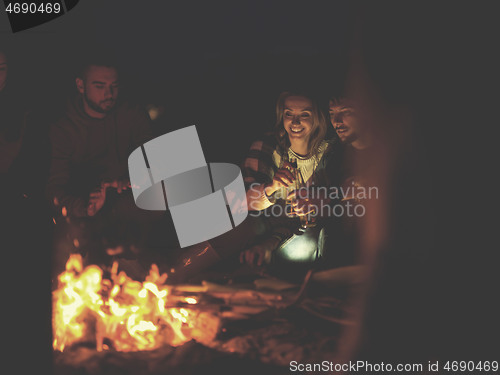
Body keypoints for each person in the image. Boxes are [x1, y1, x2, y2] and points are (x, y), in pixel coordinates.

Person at [46, 55, 161, 274]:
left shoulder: (131, 114)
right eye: (99, 86)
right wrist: (85, 207)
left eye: (114, 86)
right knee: (72, 237)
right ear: (80, 85)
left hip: (129, 205)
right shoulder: (63, 129)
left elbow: (153, 161)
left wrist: (132, 180)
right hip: (84, 213)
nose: (109, 94)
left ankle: (147, 276)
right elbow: (53, 189)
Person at [239, 91, 341, 276]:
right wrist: (271, 187)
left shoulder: (329, 152)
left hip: (306, 237)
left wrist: (319, 201)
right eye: (289, 114)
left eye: (304, 115)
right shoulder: (267, 146)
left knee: (303, 247)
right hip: (267, 229)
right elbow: (245, 203)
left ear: (317, 117)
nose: (295, 122)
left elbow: (342, 197)